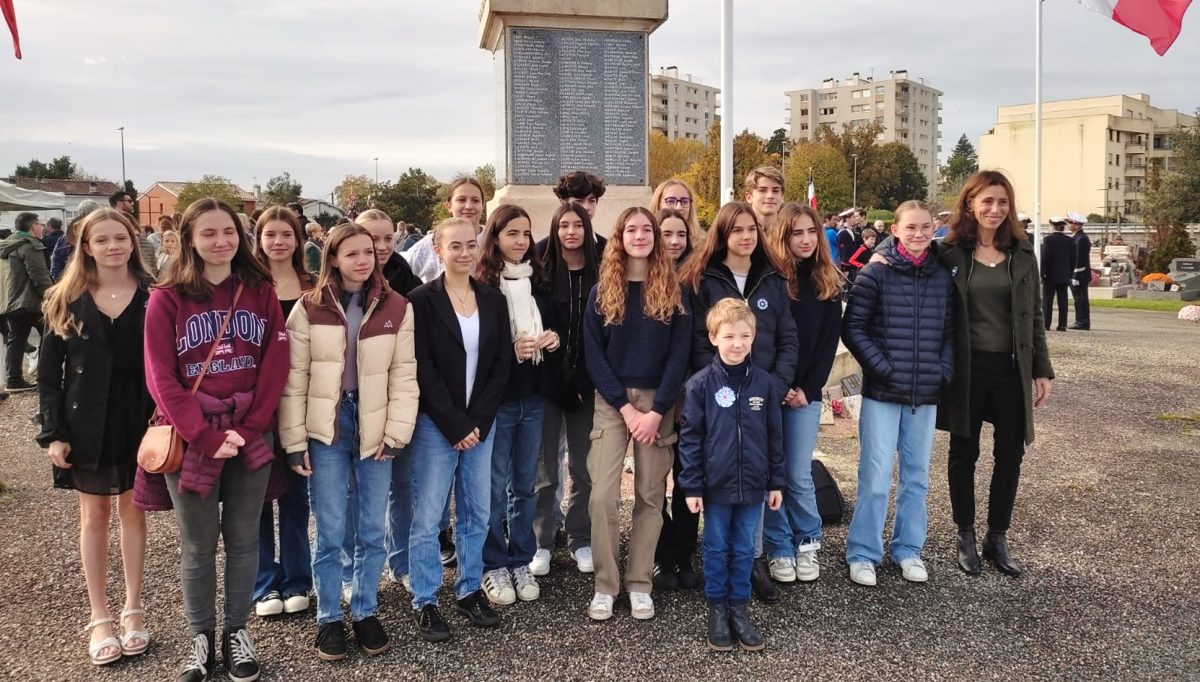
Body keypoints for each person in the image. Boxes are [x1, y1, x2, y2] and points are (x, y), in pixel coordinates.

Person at [136, 197, 289, 682]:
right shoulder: (167, 296)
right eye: (209, 233)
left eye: (228, 231)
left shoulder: (259, 290)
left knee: (244, 542)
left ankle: (236, 633)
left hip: (249, 434)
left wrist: (247, 429)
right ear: (189, 239)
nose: (221, 241)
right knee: (198, 544)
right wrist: (202, 435)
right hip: (192, 437)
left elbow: (275, 364)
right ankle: (200, 638)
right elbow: (160, 375)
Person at [278, 221, 418, 661]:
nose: (363, 259)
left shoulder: (396, 306)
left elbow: (404, 374)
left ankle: (365, 608)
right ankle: (328, 617)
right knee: (333, 528)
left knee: (373, 528)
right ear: (333, 258)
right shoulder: (307, 309)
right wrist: (294, 440)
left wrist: (397, 432)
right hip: (328, 426)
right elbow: (293, 380)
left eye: (369, 252)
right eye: (351, 253)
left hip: (375, 423)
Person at [36, 208, 154, 666]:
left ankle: (133, 609)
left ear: (132, 241)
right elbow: (49, 376)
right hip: (86, 423)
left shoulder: (153, 295)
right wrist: (53, 434)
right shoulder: (64, 299)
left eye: (120, 238)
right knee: (94, 516)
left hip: (140, 420)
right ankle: (99, 616)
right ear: (86, 247)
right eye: (101, 240)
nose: (112, 246)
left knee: (134, 511)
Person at [676, 200, 798, 602]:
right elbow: (697, 337)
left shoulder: (772, 277)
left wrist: (776, 387)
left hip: (762, 393)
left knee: (757, 472)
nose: (746, 236)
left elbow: (787, 338)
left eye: (751, 229)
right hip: (718, 394)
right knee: (720, 468)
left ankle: (753, 562)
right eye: (737, 230)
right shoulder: (704, 277)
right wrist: (707, 386)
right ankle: (714, 573)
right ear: (723, 235)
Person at [939, 171, 1054, 578]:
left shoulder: (1022, 253)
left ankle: (997, 535)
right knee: (963, 453)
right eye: (986, 201)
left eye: (1002, 202)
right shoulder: (950, 253)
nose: (994, 209)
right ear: (970, 204)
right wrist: (882, 253)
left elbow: (1035, 316)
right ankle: (965, 533)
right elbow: (902, 245)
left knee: (1010, 455)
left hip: (1011, 368)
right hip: (968, 369)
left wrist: (1042, 369)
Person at [406, 217, 512, 642]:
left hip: (480, 424)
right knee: (429, 516)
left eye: (471, 245)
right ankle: (426, 600)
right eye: (455, 246)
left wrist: (477, 422)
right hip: (437, 424)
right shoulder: (421, 301)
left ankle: (469, 589)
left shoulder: (492, 299)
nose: (464, 252)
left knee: (477, 513)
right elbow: (423, 367)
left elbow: (500, 365)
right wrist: (454, 423)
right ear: (437, 249)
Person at [582, 207, 690, 622]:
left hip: (658, 402)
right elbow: (594, 354)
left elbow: (678, 356)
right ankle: (606, 585)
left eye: (647, 229)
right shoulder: (603, 291)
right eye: (632, 229)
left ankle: (640, 582)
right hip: (612, 403)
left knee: (650, 495)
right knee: (603, 495)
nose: (640, 235)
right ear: (619, 236)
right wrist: (625, 408)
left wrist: (657, 409)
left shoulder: (673, 290)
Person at [841, 199, 954, 587]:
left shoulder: (942, 275)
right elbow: (854, 328)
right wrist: (883, 367)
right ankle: (863, 551)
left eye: (925, 227)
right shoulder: (876, 274)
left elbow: (950, 332)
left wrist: (944, 370)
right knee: (874, 476)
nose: (919, 234)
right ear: (896, 230)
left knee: (917, 476)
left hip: (924, 393)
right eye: (911, 228)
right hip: (883, 391)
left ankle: (908, 548)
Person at [679, 298, 784, 652]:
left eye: (744, 336)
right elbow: (691, 438)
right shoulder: (700, 385)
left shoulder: (764, 385)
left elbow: (774, 436)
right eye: (729, 336)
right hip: (715, 487)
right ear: (713, 338)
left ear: (753, 338)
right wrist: (691, 485)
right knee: (715, 546)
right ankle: (717, 609)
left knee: (743, 548)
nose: (737, 343)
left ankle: (739, 608)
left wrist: (775, 481)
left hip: (754, 486)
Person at [474, 205, 561, 606]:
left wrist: (552, 341)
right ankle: (493, 565)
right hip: (499, 400)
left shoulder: (539, 280)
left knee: (524, 485)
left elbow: (555, 326)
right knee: (493, 487)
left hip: (533, 395)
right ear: (495, 237)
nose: (521, 241)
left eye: (526, 233)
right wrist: (512, 350)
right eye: (512, 233)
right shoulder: (483, 286)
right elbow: (479, 349)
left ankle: (520, 558)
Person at [761, 202, 843, 585]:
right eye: (797, 233)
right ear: (783, 237)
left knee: (797, 473)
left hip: (804, 395)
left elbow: (827, 345)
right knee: (771, 473)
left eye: (812, 231)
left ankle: (807, 540)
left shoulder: (827, 282)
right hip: (771, 389)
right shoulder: (773, 280)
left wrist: (807, 390)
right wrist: (778, 385)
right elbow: (769, 339)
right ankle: (778, 545)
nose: (807, 239)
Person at [352, 207, 423, 592]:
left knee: (402, 486)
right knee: (353, 493)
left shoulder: (409, 284)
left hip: (395, 401)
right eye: (370, 238)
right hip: (352, 403)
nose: (378, 246)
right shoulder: (342, 283)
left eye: (385, 239)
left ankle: (402, 561)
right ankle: (353, 568)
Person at [249, 208, 315, 620]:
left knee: (295, 493)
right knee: (254, 496)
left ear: (297, 239)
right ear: (258, 239)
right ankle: (262, 583)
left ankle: (297, 579)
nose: (278, 242)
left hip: (301, 399)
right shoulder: (248, 286)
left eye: (286, 234)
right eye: (270, 234)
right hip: (256, 399)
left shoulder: (312, 285)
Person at [530, 203, 602, 577]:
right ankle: (543, 539)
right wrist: (558, 381)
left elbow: (603, 335)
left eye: (578, 225)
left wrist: (584, 380)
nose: (571, 232)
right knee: (546, 470)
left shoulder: (600, 273)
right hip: (549, 385)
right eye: (564, 225)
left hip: (587, 386)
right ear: (555, 230)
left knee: (584, 466)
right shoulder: (540, 274)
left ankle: (580, 537)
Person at [0, 212, 51, 392]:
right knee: (51, 335)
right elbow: (39, 275)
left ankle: (13, 380)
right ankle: (47, 377)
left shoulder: (8, 244)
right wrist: (51, 296)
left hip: (11, 301)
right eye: (40, 223)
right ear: (32, 226)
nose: (42, 227)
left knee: (16, 339)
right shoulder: (30, 245)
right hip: (31, 302)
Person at [402, 177, 486, 283]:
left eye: (475, 200)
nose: (469, 206)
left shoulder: (494, 239)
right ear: (449, 205)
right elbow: (400, 275)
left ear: (482, 205)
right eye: (461, 200)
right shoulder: (430, 243)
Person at [535, 171, 609, 258]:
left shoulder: (608, 249)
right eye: (579, 201)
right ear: (563, 203)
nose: (587, 207)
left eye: (592, 201)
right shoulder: (539, 252)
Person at [51, 200, 104, 281]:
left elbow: (56, 266)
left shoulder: (63, 239)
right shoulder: (102, 236)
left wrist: (61, 283)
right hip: (94, 283)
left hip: (71, 283)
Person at [1041, 217, 1074, 332]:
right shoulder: (1070, 241)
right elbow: (1073, 259)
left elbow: (1045, 258)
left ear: (1052, 226)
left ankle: (1046, 324)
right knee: (1063, 301)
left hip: (1049, 275)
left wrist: (1043, 273)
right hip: (1064, 275)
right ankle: (1062, 325)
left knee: (1047, 301)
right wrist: (1070, 273)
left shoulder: (1048, 240)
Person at [651, 179, 700, 248]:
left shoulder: (705, 245)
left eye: (685, 201)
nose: (679, 207)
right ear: (658, 204)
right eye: (671, 201)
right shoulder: (645, 244)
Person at [1065, 212, 1091, 331]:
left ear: (1077, 225)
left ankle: (1082, 321)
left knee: (1080, 299)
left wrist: (1075, 276)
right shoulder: (1077, 238)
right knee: (1078, 298)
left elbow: (1080, 260)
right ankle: (1080, 320)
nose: (1068, 224)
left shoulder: (1081, 239)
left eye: (1070, 222)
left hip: (1080, 275)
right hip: (1078, 274)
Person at [743, 166, 784, 233]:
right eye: (762, 190)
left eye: (775, 191)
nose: (770, 196)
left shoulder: (791, 233)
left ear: (782, 197)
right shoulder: (740, 234)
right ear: (749, 197)